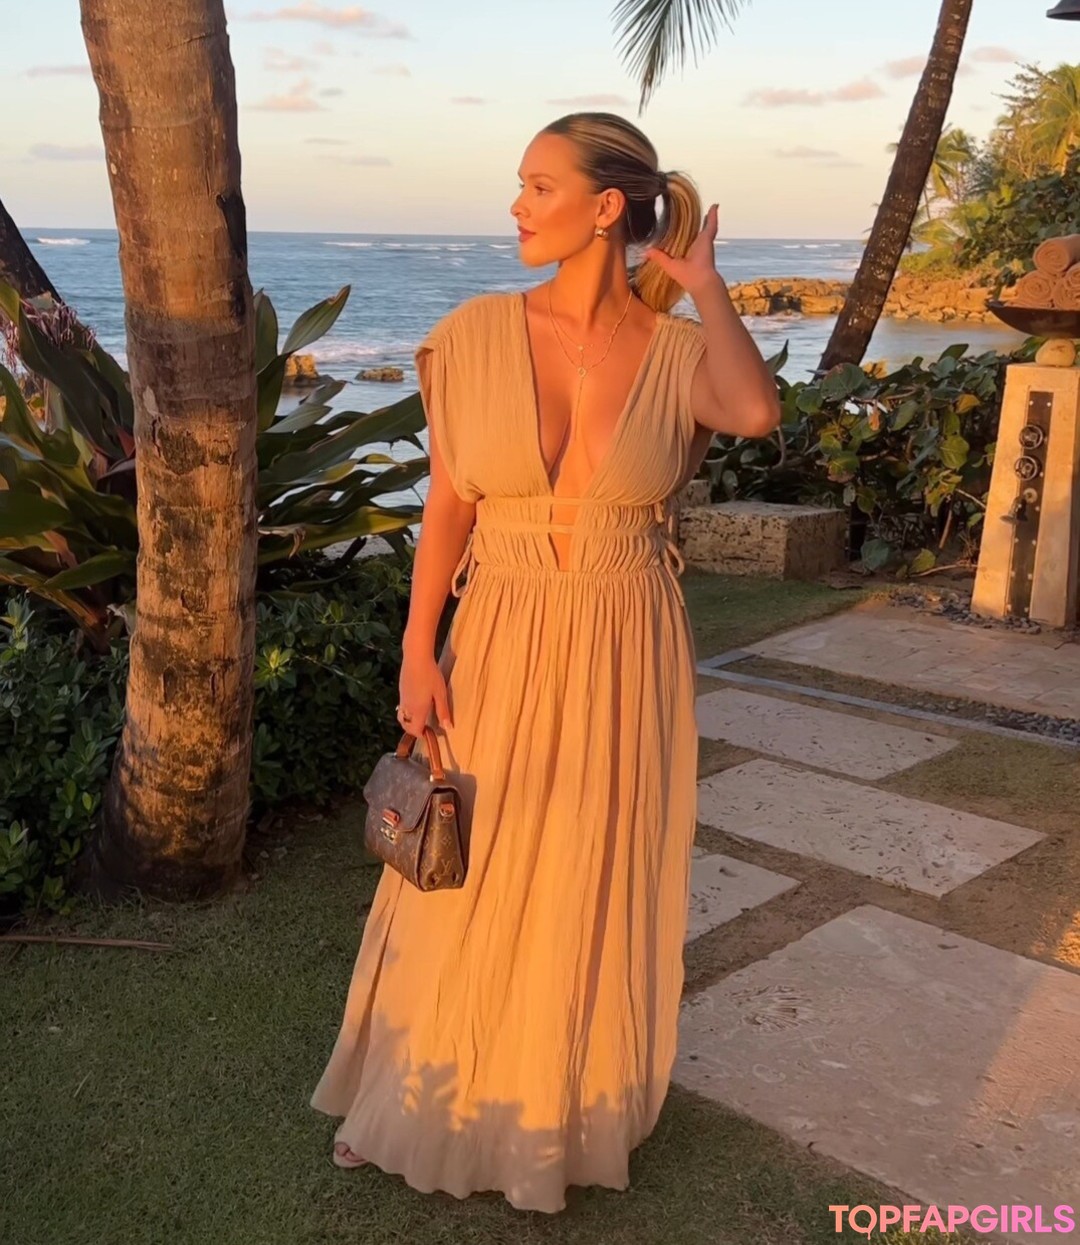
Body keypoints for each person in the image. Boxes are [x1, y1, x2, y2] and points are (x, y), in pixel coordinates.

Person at [310, 111, 781, 1213]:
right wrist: (417, 651)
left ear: (606, 207)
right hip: (503, 626)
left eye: (538, 185)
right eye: (519, 186)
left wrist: (705, 286)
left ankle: (550, 1109)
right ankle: (407, 1098)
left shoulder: (676, 350)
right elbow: (449, 507)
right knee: (465, 858)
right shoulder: (474, 334)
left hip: (627, 636)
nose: (517, 206)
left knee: (586, 867)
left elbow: (755, 411)